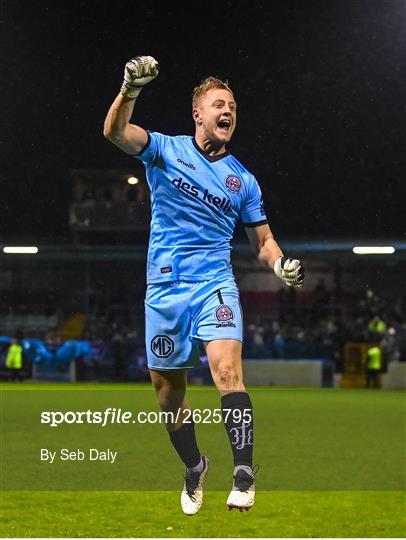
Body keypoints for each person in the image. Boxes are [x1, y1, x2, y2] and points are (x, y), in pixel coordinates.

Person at [104, 56, 305, 515]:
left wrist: (278, 265)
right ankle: (195, 467)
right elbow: (115, 133)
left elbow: (264, 240)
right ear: (198, 113)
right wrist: (129, 90)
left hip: (214, 283)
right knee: (167, 394)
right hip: (164, 289)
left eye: (232, 105)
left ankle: (244, 472)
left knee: (227, 373)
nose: (227, 111)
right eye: (219, 104)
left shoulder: (244, 181)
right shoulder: (164, 150)